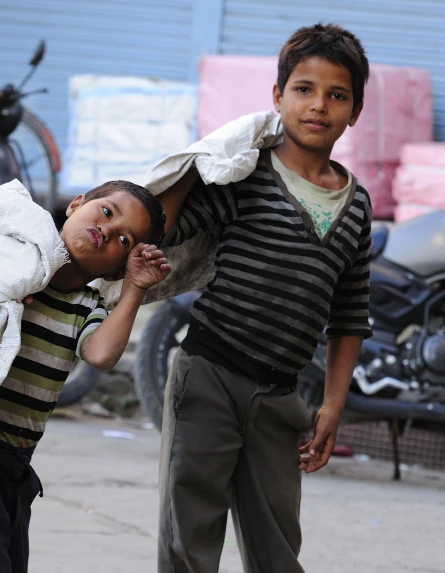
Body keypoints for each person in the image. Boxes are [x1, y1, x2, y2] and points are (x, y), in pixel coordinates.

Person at [156, 23, 372, 573]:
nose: (318, 105)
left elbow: (349, 313)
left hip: (281, 397)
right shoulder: (246, 172)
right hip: (207, 375)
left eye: (337, 94)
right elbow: (169, 229)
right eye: (303, 89)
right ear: (277, 97)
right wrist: (200, 157)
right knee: (190, 540)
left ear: (356, 110)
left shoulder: (357, 205)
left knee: (278, 547)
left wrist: (331, 404)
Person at [0, 180, 170, 573]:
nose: (108, 229)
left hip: (13, 466)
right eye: (106, 212)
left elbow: (101, 354)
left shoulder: (86, 307)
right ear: (76, 204)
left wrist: (135, 288)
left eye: (124, 239)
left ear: (119, 269)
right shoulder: (12, 270)